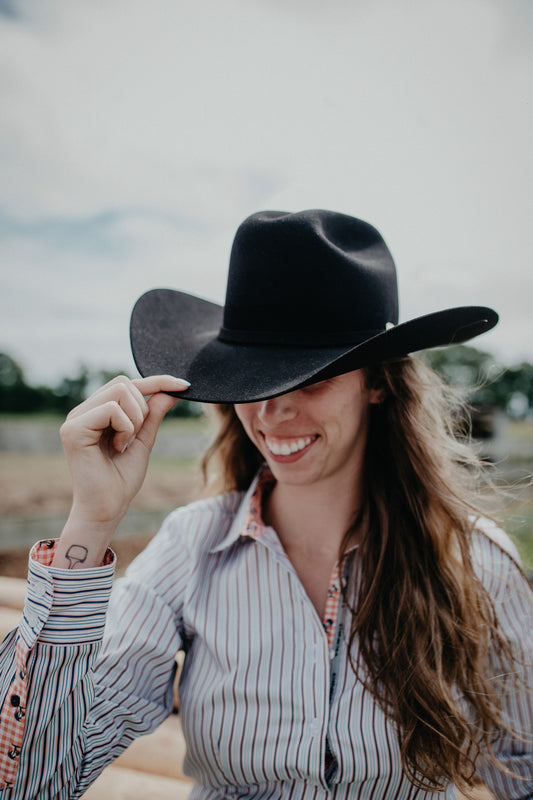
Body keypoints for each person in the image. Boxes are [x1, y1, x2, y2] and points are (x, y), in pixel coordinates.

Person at [0, 209, 531, 799]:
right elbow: (28, 779)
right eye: (256, 379)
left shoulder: (477, 562)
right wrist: (93, 520)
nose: (274, 413)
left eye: (313, 378)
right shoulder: (189, 549)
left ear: (378, 383)